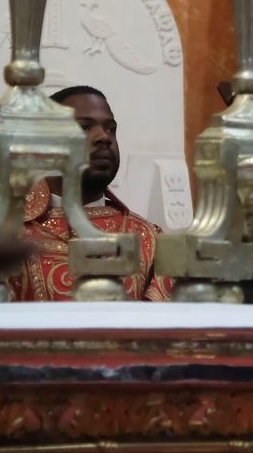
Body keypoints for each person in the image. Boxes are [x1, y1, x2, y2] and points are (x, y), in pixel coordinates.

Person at [9, 86, 172, 302]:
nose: (104, 137)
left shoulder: (150, 239)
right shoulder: (6, 236)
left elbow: (160, 329)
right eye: (84, 127)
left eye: (110, 128)